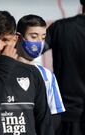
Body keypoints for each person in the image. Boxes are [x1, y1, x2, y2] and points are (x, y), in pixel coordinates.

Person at [16, 14, 66, 133]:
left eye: (43, 38)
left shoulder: (47, 75)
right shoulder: (4, 72)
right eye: (34, 36)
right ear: (18, 37)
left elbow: (55, 114)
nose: (39, 42)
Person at [44, 0, 85, 134]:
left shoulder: (61, 27)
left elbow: (31, 51)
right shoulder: (60, 27)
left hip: (66, 117)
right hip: (67, 116)